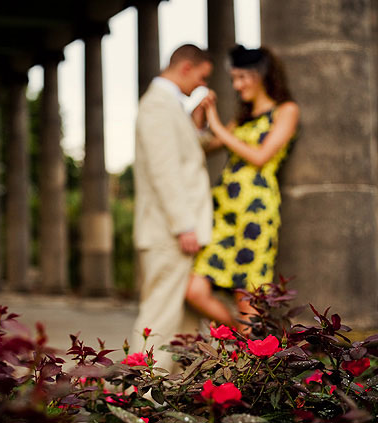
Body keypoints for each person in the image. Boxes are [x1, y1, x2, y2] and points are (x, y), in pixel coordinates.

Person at [185, 45, 300, 330]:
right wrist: (201, 116)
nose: (236, 86)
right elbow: (203, 148)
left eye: (241, 78)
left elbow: (261, 156)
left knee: (247, 300)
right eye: (234, 79)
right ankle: (240, 336)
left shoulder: (286, 111)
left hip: (255, 216)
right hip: (224, 214)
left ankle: (247, 362)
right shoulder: (242, 118)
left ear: (261, 75)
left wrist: (219, 127)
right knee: (194, 290)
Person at [131, 44, 214, 372]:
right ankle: (139, 399)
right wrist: (184, 225)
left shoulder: (171, 106)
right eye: (201, 76)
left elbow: (183, 157)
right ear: (185, 68)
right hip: (169, 232)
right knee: (159, 320)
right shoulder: (157, 105)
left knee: (184, 326)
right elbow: (163, 170)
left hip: (176, 232)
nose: (201, 85)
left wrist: (199, 126)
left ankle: (173, 398)